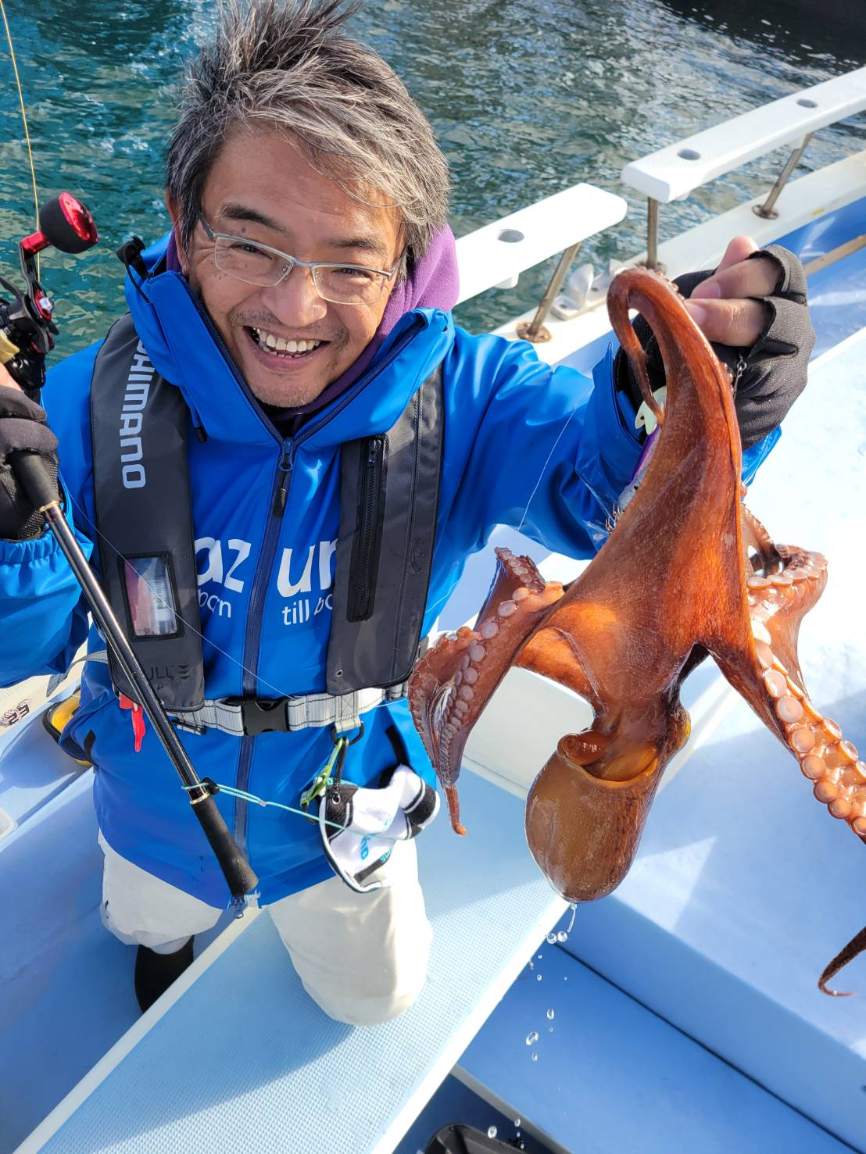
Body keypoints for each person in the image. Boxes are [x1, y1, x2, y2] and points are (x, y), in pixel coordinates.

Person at [0, 0, 814, 1022]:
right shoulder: (84, 404)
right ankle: (162, 941)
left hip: (344, 815)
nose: (293, 308)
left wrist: (698, 395)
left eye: (348, 263)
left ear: (407, 263)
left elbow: (598, 489)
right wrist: (11, 535)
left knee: (375, 999)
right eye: (249, 243)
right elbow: (21, 649)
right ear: (182, 220)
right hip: (151, 799)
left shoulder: (469, 398)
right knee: (146, 918)